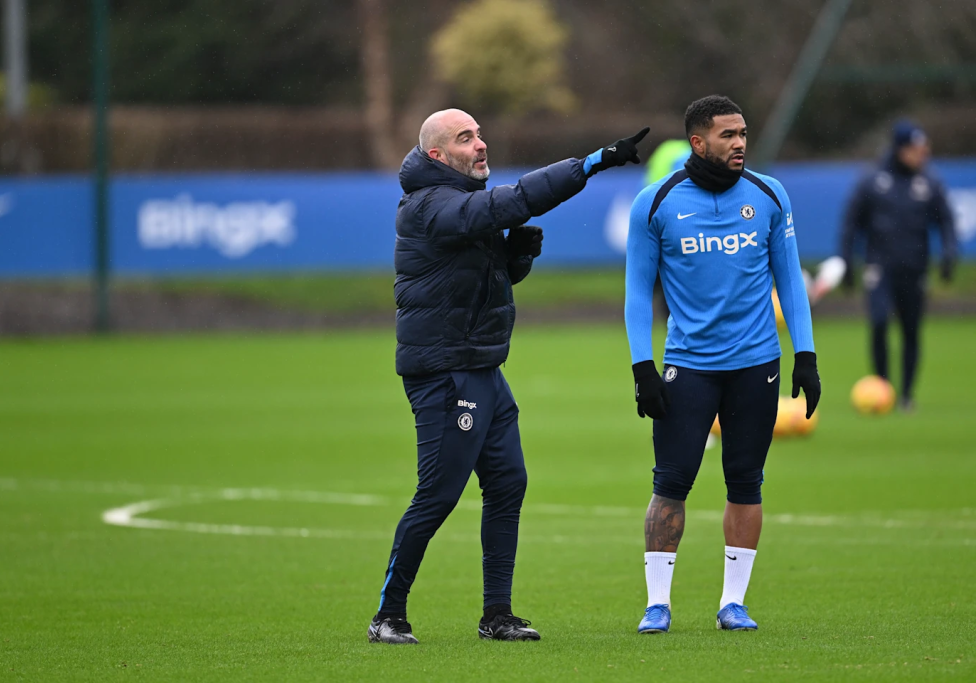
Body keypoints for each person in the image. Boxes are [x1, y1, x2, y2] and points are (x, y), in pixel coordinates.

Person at [368, 109, 650, 645]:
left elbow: (468, 281)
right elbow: (513, 200)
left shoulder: (458, 204)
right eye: (464, 138)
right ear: (436, 155)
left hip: (481, 368)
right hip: (447, 373)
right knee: (439, 494)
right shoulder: (430, 205)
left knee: (507, 485)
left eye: (479, 133)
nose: (480, 144)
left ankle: (497, 615)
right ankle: (388, 615)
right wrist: (591, 163)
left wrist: (512, 262)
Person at [624, 95, 821, 634]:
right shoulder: (656, 202)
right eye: (727, 135)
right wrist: (644, 368)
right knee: (671, 482)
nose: (739, 143)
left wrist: (805, 355)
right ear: (698, 142)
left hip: (757, 365)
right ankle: (657, 604)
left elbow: (792, 283)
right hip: (687, 366)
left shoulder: (768, 194)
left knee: (746, 481)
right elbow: (638, 293)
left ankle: (733, 603)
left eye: (743, 133)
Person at [840, 120, 957, 411]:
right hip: (880, 267)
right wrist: (847, 262)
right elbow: (852, 223)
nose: (922, 154)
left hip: (914, 268)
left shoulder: (929, 182)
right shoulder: (873, 180)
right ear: (900, 149)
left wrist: (949, 255)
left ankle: (906, 395)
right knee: (879, 323)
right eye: (916, 149)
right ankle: (882, 386)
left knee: (911, 330)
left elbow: (946, 221)